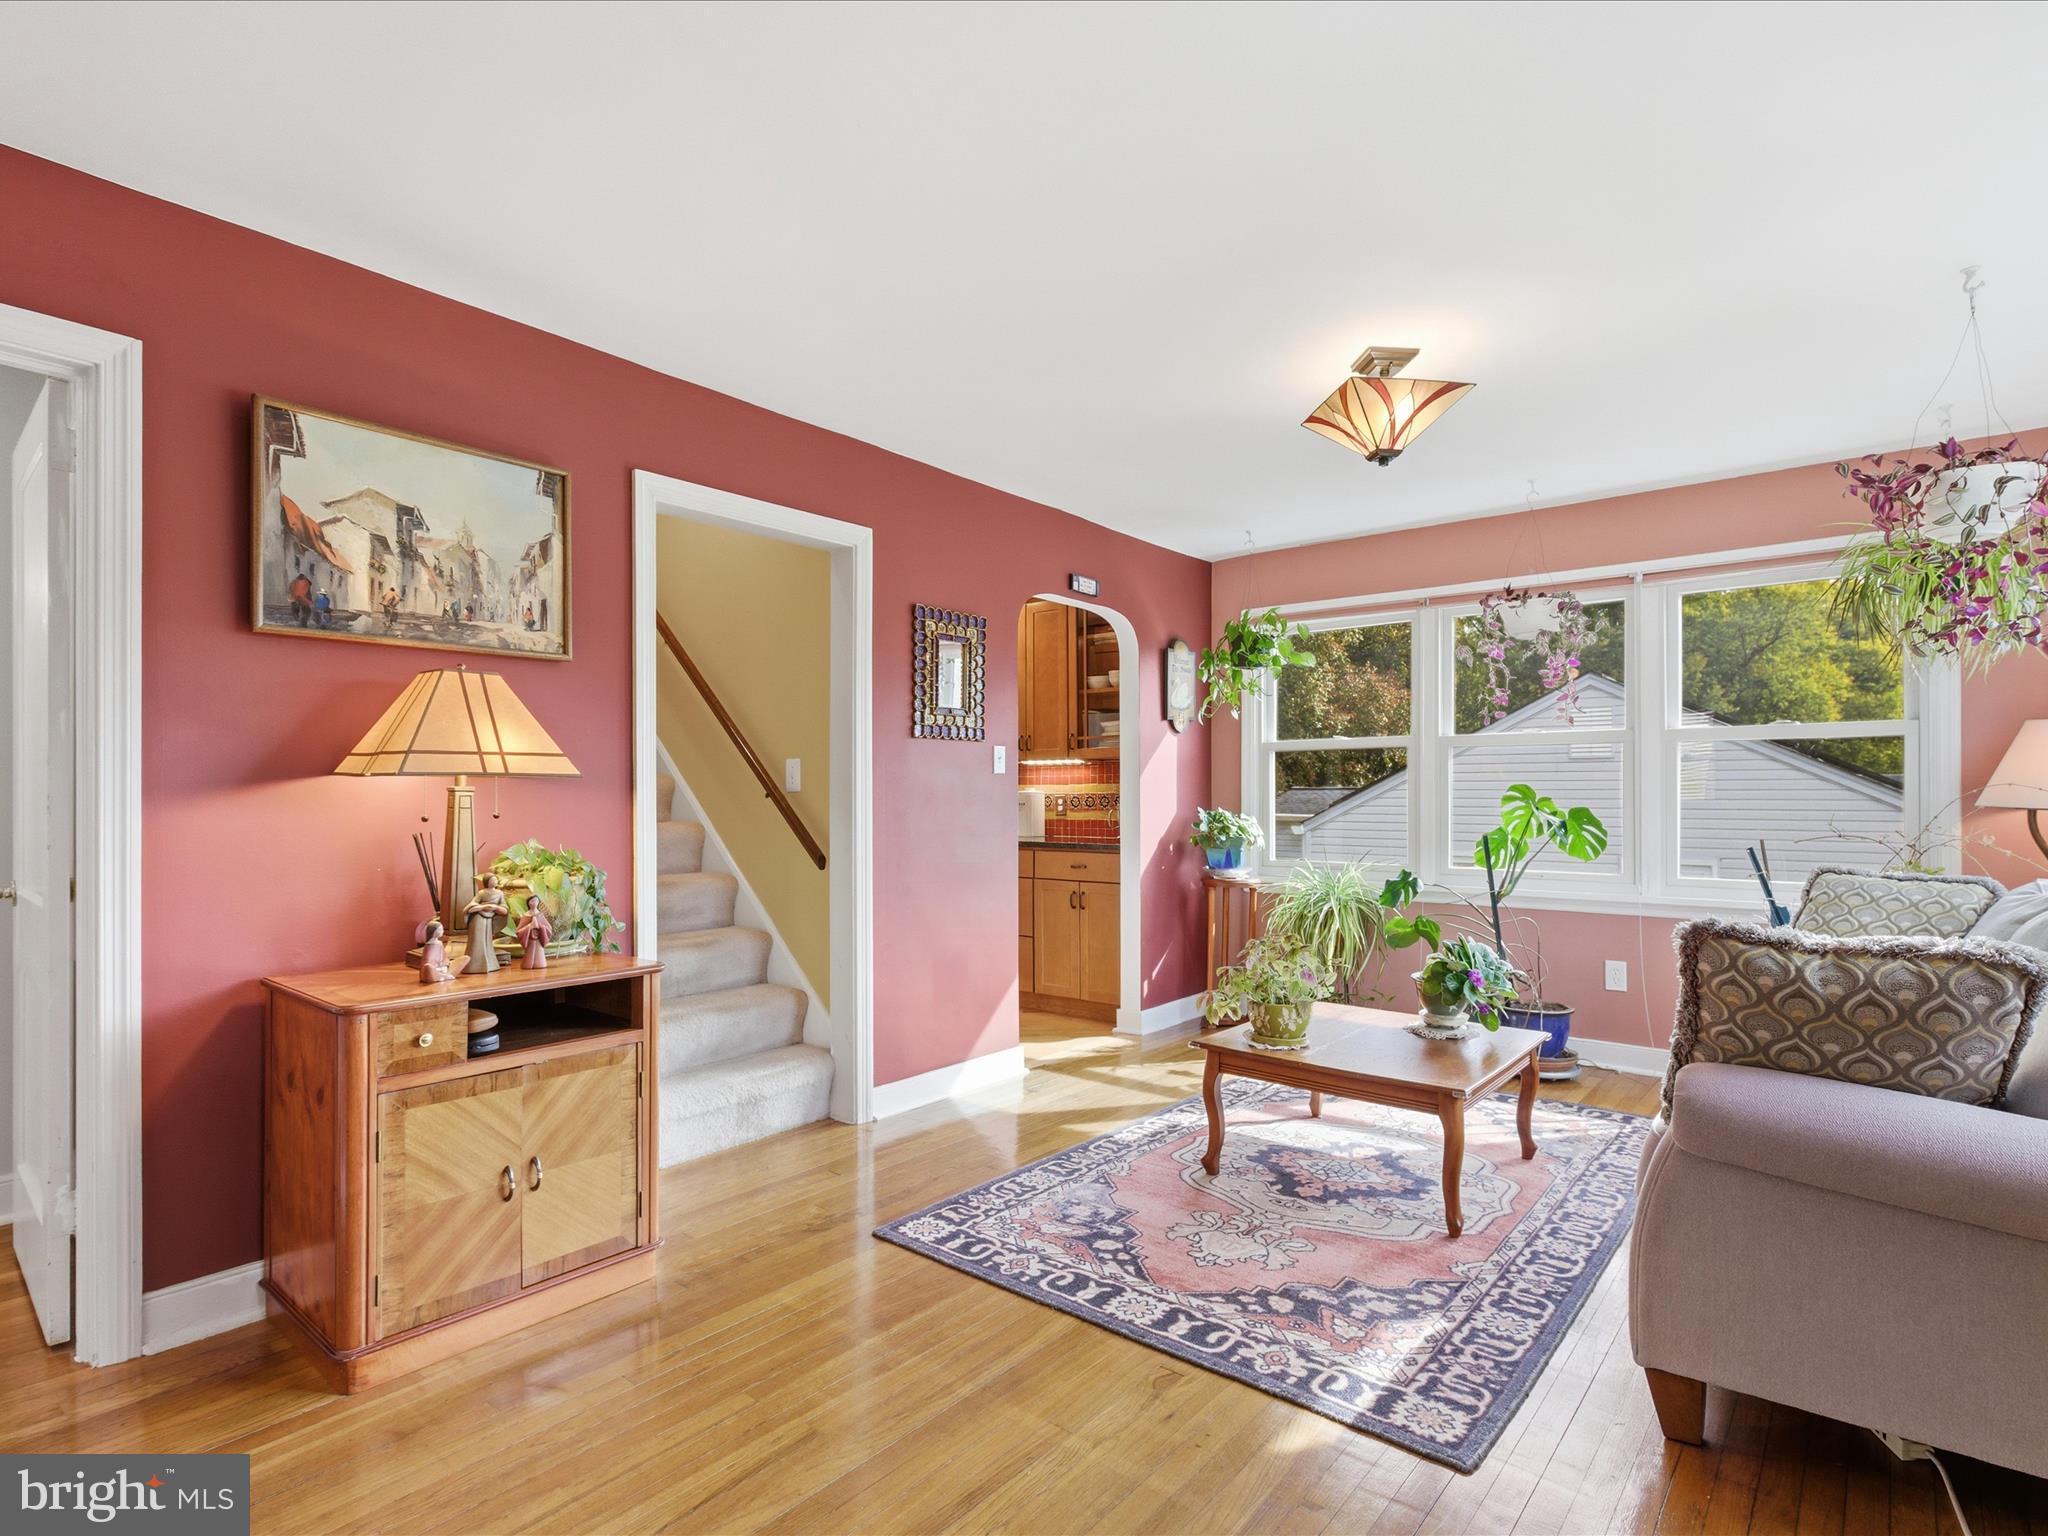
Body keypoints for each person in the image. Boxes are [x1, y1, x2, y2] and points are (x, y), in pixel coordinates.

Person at [461, 874, 509, 975]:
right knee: (477, 941)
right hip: (478, 919)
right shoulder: (481, 893)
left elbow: (504, 909)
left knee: (487, 942)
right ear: (487, 881)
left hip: (489, 920)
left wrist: (495, 908)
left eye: (496, 879)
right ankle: (473, 965)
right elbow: (472, 904)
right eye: (492, 880)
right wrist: (482, 907)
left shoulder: (500, 893)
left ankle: (490, 964)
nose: (495, 881)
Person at [516, 901, 553, 970]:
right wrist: (529, 927)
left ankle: (539, 963)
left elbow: (549, 928)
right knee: (529, 954)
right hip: (530, 940)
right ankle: (528, 964)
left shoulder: (540, 915)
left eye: (536, 900)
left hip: (538, 940)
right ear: (528, 903)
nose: (534, 902)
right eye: (532, 900)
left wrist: (540, 927)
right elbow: (518, 931)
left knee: (539, 953)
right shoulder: (526, 916)